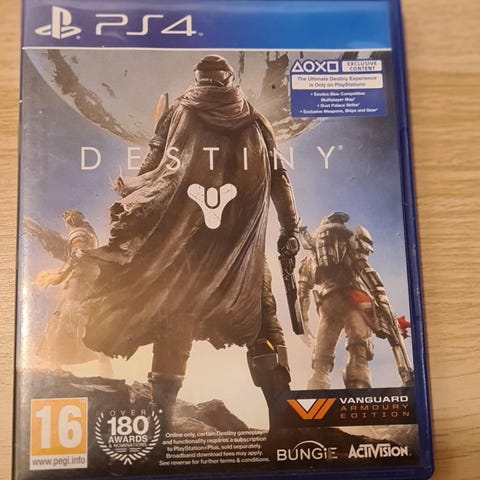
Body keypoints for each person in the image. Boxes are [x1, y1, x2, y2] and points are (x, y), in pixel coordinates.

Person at [82, 55, 300, 429]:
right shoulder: (255, 120)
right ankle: (282, 418)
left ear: (199, 79)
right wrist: (290, 228)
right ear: (230, 80)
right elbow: (280, 178)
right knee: (261, 321)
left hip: (188, 245)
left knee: (176, 321)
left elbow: (152, 170)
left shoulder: (179, 114)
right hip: (242, 250)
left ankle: (162, 422)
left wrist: (134, 206)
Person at [22, 210, 113, 377]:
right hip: (89, 281)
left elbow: (78, 254)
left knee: (64, 321)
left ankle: (55, 367)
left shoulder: (78, 232)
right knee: (90, 324)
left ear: (70, 220)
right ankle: (106, 372)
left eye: (67, 220)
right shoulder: (87, 232)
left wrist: (60, 276)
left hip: (79, 282)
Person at [299, 212, 384, 389]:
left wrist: (304, 322)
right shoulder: (350, 243)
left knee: (321, 361)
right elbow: (367, 272)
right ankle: (359, 387)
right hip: (353, 299)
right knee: (358, 350)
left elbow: (302, 293)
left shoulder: (311, 256)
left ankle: (318, 391)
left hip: (327, 303)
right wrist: (381, 301)